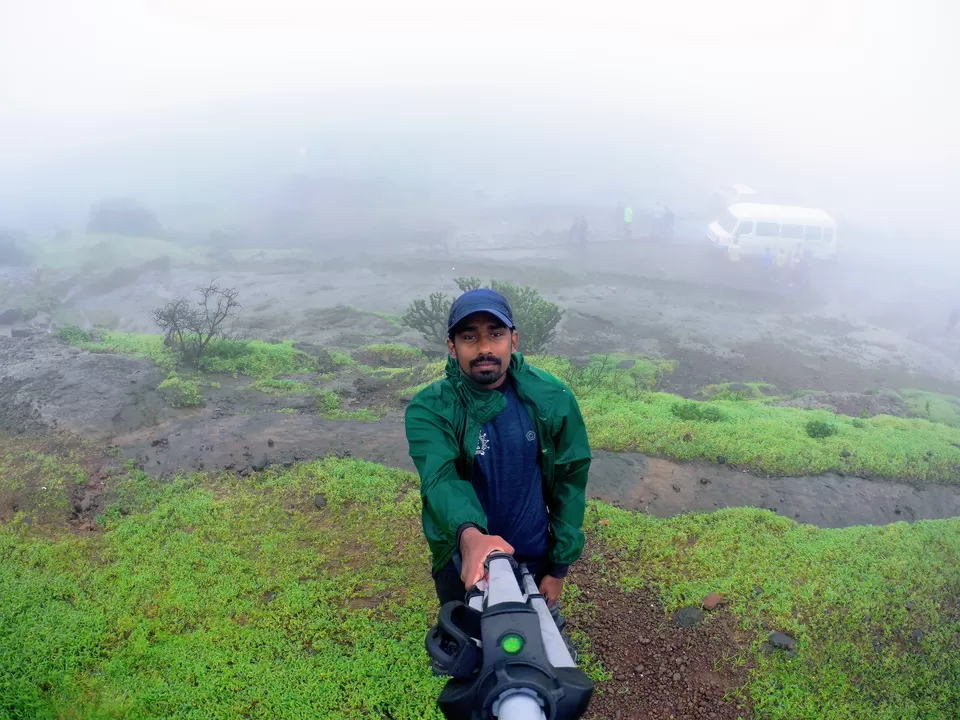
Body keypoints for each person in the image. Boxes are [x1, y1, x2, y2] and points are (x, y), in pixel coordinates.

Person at [405, 288, 592, 622]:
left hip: (533, 557)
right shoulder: (429, 408)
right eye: (469, 337)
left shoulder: (553, 399)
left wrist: (559, 567)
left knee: (538, 637)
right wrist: (470, 538)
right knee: (467, 638)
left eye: (495, 334)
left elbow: (570, 482)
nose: (485, 348)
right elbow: (440, 480)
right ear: (452, 347)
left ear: (514, 340)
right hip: (463, 559)